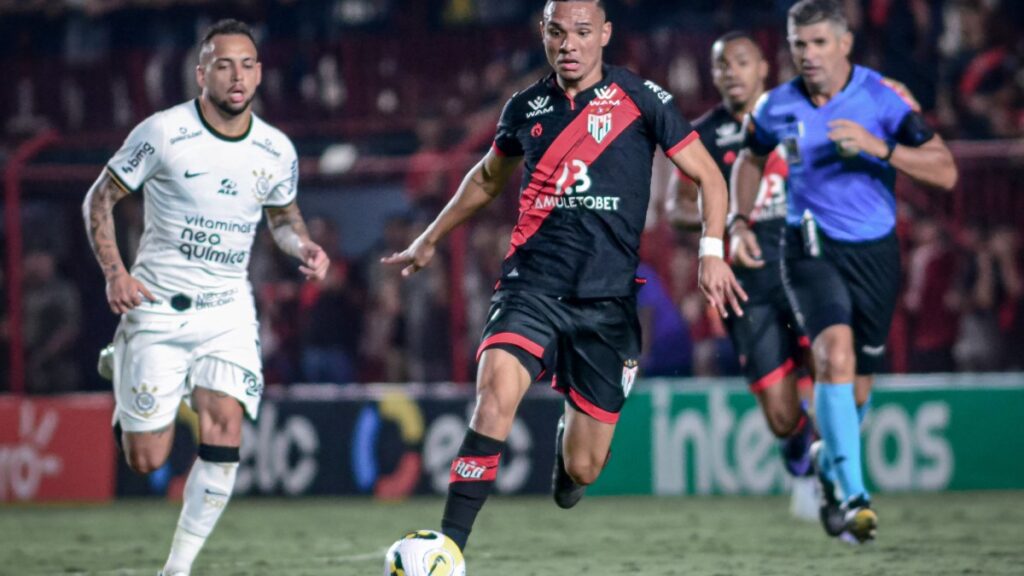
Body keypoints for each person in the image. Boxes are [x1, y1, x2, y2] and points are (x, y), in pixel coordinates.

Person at [384, 0, 745, 553]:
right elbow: (485, 180)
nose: (568, 44)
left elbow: (710, 177)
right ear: (543, 35)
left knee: (585, 465)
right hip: (532, 285)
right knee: (495, 394)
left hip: (607, 305)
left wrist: (712, 250)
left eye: (581, 32)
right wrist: (429, 238)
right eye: (557, 32)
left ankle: (568, 459)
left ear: (604, 33)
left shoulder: (642, 100)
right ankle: (449, 546)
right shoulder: (525, 106)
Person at [82, 20, 329, 576]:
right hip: (156, 305)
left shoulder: (275, 148)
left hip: (226, 310)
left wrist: (302, 245)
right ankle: (123, 362)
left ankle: (178, 569)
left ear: (260, 73)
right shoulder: (163, 133)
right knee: (146, 460)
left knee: (224, 425)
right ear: (201, 74)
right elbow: (100, 198)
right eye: (223, 64)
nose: (236, 76)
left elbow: (282, 216)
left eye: (246, 65)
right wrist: (115, 273)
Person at [732, 0, 957, 543]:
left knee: (855, 390)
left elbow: (945, 171)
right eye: (797, 44)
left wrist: (880, 148)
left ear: (844, 44)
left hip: (875, 255)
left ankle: (829, 463)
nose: (806, 55)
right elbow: (750, 158)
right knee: (832, 354)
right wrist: (740, 220)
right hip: (807, 247)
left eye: (817, 43)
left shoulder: (884, 97)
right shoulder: (775, 105)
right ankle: (853, 497)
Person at [667, 31, 816, 482]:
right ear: (712, 74)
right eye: (722, 64)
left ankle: (835, 474)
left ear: (764, 67)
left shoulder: (799, 116)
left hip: (807, 270)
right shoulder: (704, 134)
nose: (732, 72)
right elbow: (675, 208)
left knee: (833, 368)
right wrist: (729, 216)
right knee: (779, 414)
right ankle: (798, 437)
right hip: (746, 285)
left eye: (742, 62)